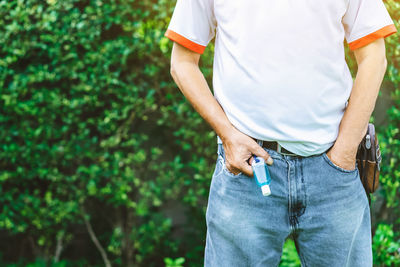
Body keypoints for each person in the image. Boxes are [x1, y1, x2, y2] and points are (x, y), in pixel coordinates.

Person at [164, 0, 397, 266]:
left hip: (332, 173)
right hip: (247, 170)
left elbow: (374, 57)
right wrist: (228, 136)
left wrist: (344, 153)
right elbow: (182, 62)